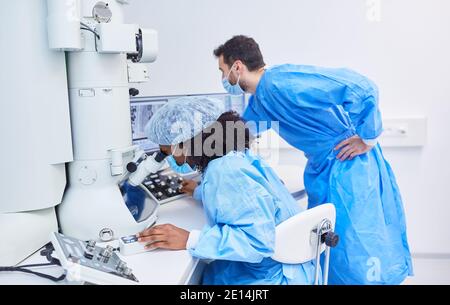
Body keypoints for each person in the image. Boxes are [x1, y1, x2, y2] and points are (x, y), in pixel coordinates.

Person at [212, 35, 413, 285]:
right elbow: (238, 135)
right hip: (324, 169)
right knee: (331, 251)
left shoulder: (283, 81)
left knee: (359, 246)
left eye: (222, 70)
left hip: (349, 165)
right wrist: (188, 156)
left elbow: (363, 88)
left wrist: (367, 138)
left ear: (237, 67)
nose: (223, 79)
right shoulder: (262, 100)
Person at [137, 97, 318, 285]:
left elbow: (257, 242)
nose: (168, 159)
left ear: (183, 143)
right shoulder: (235, 156)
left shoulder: (224, 171)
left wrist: (190, 239)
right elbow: (245, 199)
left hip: (273, 277)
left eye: (167, 152)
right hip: (286, 265)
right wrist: (199, 192)